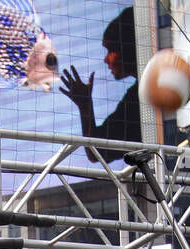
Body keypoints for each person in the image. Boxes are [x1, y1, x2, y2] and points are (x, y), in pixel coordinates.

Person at [58, 5, 141, 164]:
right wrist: (85, 106)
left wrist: (85, 105)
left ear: (127, 47)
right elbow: (97, 152)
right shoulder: (134, 96)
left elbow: (96, 152)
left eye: (110, 50)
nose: (106, 60)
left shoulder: (139, 96)